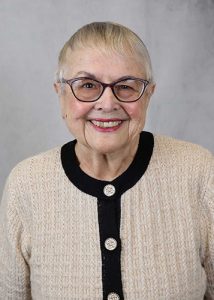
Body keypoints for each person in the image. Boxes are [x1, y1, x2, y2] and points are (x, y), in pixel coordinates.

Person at [0, 21, 213, 300]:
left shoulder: (198, 170)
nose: (108, 103)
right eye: (87, 85)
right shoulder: (26, 183)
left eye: (126, 86)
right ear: (60, 93)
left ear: (148, 94)